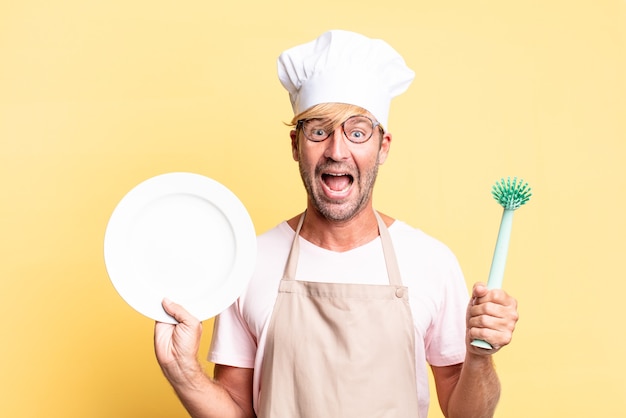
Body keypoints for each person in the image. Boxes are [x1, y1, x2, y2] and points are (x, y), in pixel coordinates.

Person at [154, 29, 518, 418]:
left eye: (357, 132)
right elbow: (238, 411)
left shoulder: (430, 260)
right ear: (296, 145)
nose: (337, 150)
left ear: (383, 147)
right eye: (319, 131)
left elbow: (467, 415)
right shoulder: (250, 261)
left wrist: (480, 360)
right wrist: (182, 372)